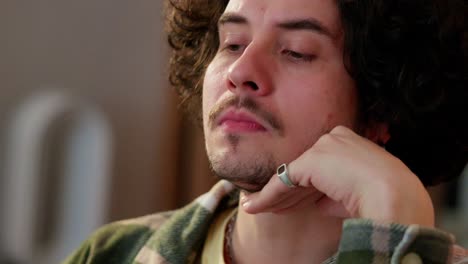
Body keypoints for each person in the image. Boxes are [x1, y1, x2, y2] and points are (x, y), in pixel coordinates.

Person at [64, 0, 468, 263]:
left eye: (296, 51)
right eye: (233, 43)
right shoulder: (109, 254)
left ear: (382, 106)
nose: (240, 73)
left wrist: (391, 227)